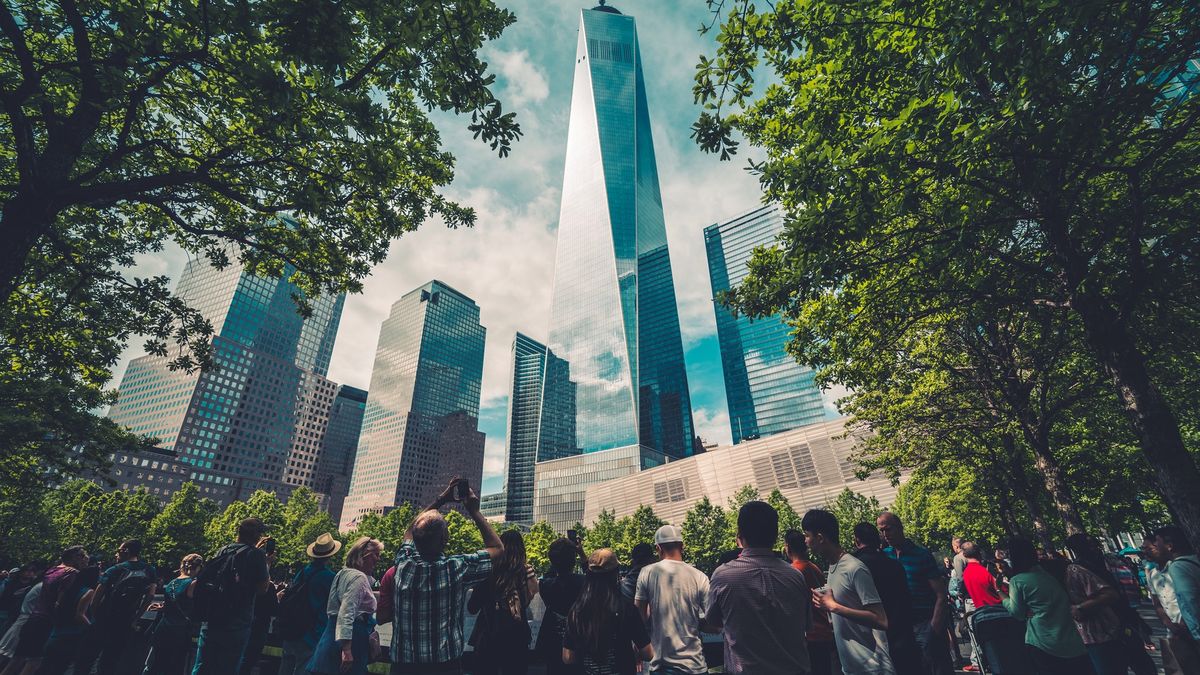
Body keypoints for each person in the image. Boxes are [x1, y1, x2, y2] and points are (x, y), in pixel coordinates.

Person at [388, 478, 503, 674]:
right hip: (444, 666)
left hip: (403, 666)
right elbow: (497, 549)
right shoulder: (456, 568)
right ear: (445, 540)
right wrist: (474, 511)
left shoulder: (403, 564)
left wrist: (441, 500)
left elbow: (409, 530)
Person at [705, 501, 811, 674]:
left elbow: (714, 621)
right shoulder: (795, 576)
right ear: (775, 535)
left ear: (740, 534)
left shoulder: (723, 576)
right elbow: (806, 625)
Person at [802, 510, 894, 675]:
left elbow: (881, 620)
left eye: (807, 535)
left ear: (820, 538)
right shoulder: (832, 567)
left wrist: (834, 607)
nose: (805, 541)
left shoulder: (854, 568)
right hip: (852, 667)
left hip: (873, 668)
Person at [998, 536, 1094, 674]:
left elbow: (1017, 613)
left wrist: (1000, 592)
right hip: (1073, 639)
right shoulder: (1052, 571)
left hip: (1043, 641)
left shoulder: (1018, 581)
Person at [1065, 533, 1155, 675]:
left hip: (1100, 631)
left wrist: (1080, 608)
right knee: (1142, 665)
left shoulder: (1076, 569)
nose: (1094, 547)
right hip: (1124, 620)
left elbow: (1112, 594)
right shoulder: (1112, 562)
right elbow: (1131, 586)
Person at [877, 512, 953, 675]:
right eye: (881, 531)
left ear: (900, 527)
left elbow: (941, 594)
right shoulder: (885, 555)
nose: (885, 534)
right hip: (903, 628)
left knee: (939, 668)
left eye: (888, 529)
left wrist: (933, 629)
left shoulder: (921, 554)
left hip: (926, 622)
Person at [192, 517, 271, 675]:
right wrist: (267, 564)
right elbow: (263, 589)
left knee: (202, 665)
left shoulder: (223, 550)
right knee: (227, 667)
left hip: (212, 618)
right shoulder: (257, 555)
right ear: (256, 535)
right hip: (237, 622)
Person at [633, 524, 709, 675]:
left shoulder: (647, 572)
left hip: (661, 663)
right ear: (682, 546)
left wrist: (639, 649)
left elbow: (638, 617)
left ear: (658, 548)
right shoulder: (699, 576)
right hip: (695, 664)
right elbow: (713, 621)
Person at [563, 549, 652, 675]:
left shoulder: (577, 611)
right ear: (615, 574)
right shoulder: (626, 608)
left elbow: (568, 658)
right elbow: (648, 654)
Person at [1, 545, 87, 675]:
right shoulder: (72, 573)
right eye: (82, 556)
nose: (85, 559)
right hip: (45, 622)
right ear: (74, 557)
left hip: (33, 619)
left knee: (17, 660)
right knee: (34, 662)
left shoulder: (52, 569)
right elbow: (59, 602)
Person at [851, 523, 922, 675]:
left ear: (857, 540)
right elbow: (906, 599)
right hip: (903, 634)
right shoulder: (894, 565)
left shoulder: (854, 566)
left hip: (875, 641)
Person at [307, 537, 383, 675]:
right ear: (364, 555)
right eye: (376, 555)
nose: (378, 559)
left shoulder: (342, 573)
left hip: (331, 636)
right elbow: (346, 612)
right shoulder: (359, 578)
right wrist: (347, 650)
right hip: (351, 638)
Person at [468, 529, 539, 675]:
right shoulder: (526, 572)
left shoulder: (488, 571)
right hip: (517, 637)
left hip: (488, 635)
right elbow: (528, 599)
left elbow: (472, 607)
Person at [959, 542, 1032, 674]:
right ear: (979, 552)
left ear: (964, 554)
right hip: (1001, 612)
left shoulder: (967, 573)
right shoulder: (986, 570)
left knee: (996, 660)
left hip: (983, 618)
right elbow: (1002, 588)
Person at [277, 533, 340, 675]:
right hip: (311, 633)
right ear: (330, 555)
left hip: (292, 629)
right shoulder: (330, 577)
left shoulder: (303, 572)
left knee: (285, 667)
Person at [1146, 526, 1200, 673]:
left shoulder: (1177, 567)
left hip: (1192, 633)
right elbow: (1157, 603)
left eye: (1157, 543)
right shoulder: (1153, 574)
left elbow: (1190, 600)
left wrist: (1187, 627)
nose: (1155, 547)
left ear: (1170, 546)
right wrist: (1169, 624)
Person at [784, 529, 837, 675]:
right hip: (824, 633)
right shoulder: (815, 568)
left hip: (809, 637)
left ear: (787, 547)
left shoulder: (793, 572)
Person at [143, 554, 204, 675]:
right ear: (198, 567)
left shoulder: (173, 582)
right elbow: (193, 608)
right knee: (175, 666)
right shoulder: (193, 583)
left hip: (163, 628)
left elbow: (172, 605)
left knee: (154, 664)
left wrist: (161, 608)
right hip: (180, 631)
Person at [35, 563, 99, 675]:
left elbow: (57, 605)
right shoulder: (89, 591)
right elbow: (80, 615)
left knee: (45, 668)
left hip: (56, 633)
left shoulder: (68, 589)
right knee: (59, 668)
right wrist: (92, 628)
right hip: (70, 637)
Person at [534, 539, 585, 675]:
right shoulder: (583, 583)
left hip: (553, 641)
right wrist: (581, 553)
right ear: (573, 560)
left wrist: (558, 557)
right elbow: (594, 576)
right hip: (580, 639)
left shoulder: (546, 586)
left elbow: (550, 573)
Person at [239, 536, 280, 675]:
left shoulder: (240, 579)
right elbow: (274, 609)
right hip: (257, 629)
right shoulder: (267, 588)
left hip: (238, 625)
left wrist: (256, 550)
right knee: (246, 663)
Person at [0, 578, 41, 669]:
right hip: (24, 622)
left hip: (23, 621)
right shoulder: (42, 587)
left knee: (11, 654)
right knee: (6, 652)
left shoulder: (37, 586)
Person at [0, 563, 46, 641]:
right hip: (6, 611)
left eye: (32, 571)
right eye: (27, 571)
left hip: (20, 612)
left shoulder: (33, 585)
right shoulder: (11, 583)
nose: (29, 573)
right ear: (21, 572)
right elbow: (5, 597)